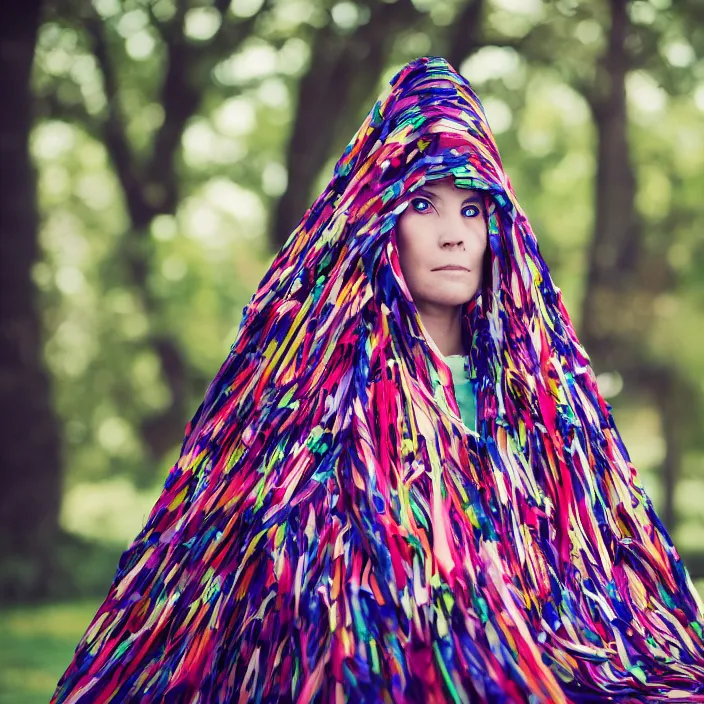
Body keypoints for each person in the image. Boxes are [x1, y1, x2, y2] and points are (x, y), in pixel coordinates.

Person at [51, 56, 704, 703]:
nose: (454, 236)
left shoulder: (541, 397)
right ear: (380, 220)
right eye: (425, 204)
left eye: (472, 209)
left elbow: (596, 572)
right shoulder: (323, 396)